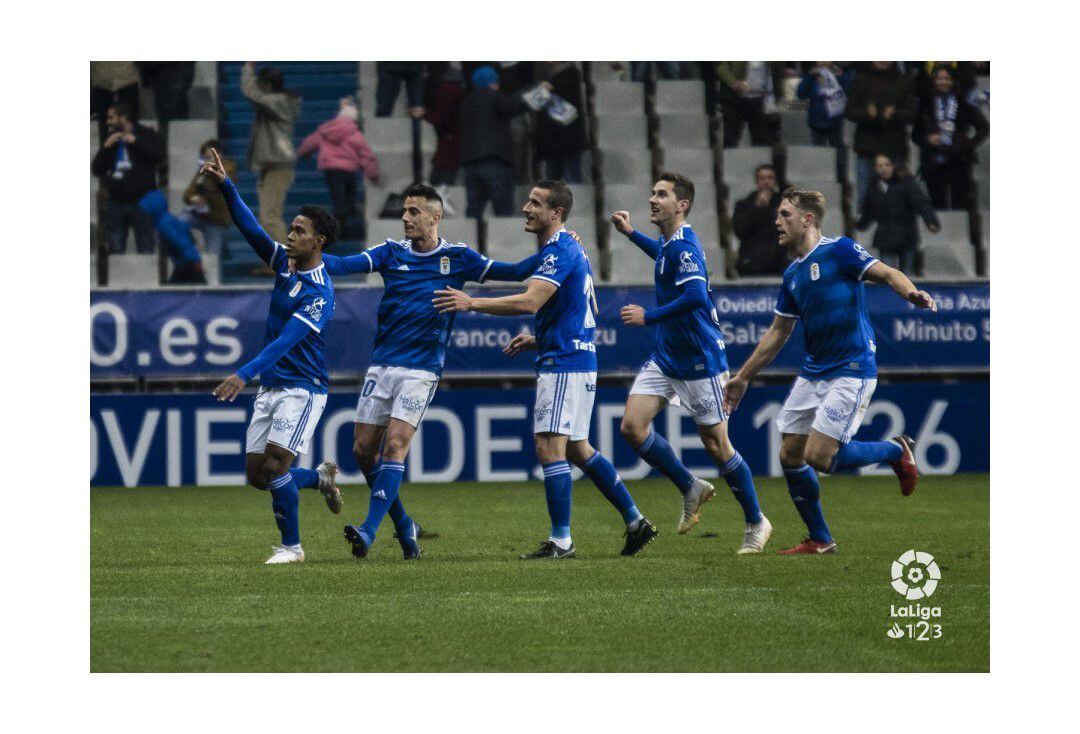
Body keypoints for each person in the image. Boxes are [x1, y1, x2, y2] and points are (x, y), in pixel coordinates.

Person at [434, 181, 658, 559]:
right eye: (528, 200)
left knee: (549, 445)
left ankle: (562, 541)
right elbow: (545, 289)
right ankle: (635, 521)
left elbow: (530, 301)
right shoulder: (562, 249)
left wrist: (471, 302)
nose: (526, 207)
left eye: (536, 203)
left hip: (565, 363)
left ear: (556, 214)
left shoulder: (560, 251)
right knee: (577, 448)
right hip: (573, 357)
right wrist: (539, 338)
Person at [326, 185, 538, 560]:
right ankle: (405, 526)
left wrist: (558, 249)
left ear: (434, 217)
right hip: (382, 364)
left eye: (413, 211)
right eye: (404, 211)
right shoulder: (391, 253)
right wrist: (304, 256)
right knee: (362, 452)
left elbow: (516, 271)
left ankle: (369, 531)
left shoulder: (458, 258)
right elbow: (343, 266)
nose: (405, 218)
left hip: (421, 368)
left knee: (395, 446)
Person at [722, 189, 936, 555]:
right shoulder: (792, 274)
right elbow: (778, 331)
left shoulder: (839, 250)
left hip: (852, 367)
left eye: (785, 214)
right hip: (814, 371)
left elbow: (886, 272)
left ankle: (894, 451)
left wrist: (911, 292)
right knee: (790, 454)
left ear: (807, 219)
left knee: (819, 457)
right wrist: (743, 376)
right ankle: (820, 538)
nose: (777, 221)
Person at [608, 172, 771, 554]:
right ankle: (690, 487)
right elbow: (664, 259)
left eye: (661, 195)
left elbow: (697, 296)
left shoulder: (684, 246)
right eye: (652, 192)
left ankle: (756, 521)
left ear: (681, 205)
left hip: (700, 359)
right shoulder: (669, 243)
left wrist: (649, 316)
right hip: (668, 356)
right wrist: (632, 234)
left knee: (718, 446)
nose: (652, 199)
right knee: (633, 427)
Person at [200, 148, 343, 565]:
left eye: (298, 231)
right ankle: (317, 479)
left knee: (277, 465)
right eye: (291, 229)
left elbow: (287, 340)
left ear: (318, 241)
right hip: (272, 386)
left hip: (302, 389)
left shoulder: (321, 293)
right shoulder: (284, 263)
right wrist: (227, 186)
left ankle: (292, 548)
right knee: (257, 476)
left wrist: (242, 374)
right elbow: (250, 229)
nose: (290, 235)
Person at [297, 99, 380, 242]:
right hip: (348, 170)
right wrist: (373, 174)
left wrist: (302, 153)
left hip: (331, 170)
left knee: (337, 198)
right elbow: (367, 155)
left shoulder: (325, 130)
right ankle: (346, 219)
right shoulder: (355, 134)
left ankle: (340, 221)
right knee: (350, 194)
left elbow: (309, 143)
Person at [912, 65, 990, 211]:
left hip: (959, 161)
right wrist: (928, 139)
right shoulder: (925, 104)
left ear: (953, 81)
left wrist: (967, 144)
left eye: (947, 78)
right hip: (933, 161)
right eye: (940, 78)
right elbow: (915, 135)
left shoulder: (964, 102)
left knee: (960, 204)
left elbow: (984, 128)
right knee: (937, 205)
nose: (944, 82)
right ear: (934, 80)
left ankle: (960, 234)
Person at [845, 61, 918, 213]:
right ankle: (863, 234)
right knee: (865, 198)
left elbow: (913, 114)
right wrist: (866, 114)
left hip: (895, 149)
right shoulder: (861, 79)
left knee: (898, 199)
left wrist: (895, 114)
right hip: (867, 147)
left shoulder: (904, 80)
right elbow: (849, 111)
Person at [91, 103, 164, 254]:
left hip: (143, 202)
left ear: (123, 118)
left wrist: (135, 141)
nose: (108, 121)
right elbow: (97, 170)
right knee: (115, 251)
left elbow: (159, 157)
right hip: (116, 202)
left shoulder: (147, 134)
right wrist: (106, 147)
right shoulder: (110, 139)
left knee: (146, 250)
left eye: (111, 117)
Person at [241, 61, 300, 244]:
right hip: (272, 165)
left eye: (260, 83)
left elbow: (251, 93)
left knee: (270, 218)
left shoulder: (279, 101)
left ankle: (286, 263)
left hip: (279, 166)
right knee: (266, 218)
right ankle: (275, 262)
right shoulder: (279, 101)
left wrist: (248, 67)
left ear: (267, 85)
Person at [458, 65, 529, 217]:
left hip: (470, 162)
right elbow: (513, 108)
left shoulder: (466, 102)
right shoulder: (494, 96)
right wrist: (536, 96)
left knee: (473, 211)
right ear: (492, 82)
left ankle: (471, 240)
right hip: (495, 160)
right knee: (503, 210)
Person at [856, 154, 941, 272]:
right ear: (875, 168)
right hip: (885, 237)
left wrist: (931, 220)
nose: (884, 169)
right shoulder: (874, 187)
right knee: (888, 276)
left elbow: (921, 203)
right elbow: (869, 211)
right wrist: (860, 225)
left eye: (887, 165)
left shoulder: (908, 183)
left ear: (894, 166)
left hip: (907, 237)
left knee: (907, 277)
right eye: (880, 166)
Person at [796, 62, 854, 183]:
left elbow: (849, 89)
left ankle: (842, 185)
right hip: (816, 121)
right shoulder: (812, 74)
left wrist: (841, 75)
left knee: (839, 157)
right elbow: (800, 93)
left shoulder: (840, 72)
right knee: (819, 155)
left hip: (835, 121)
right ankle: (819, 184)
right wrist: (809, 77)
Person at [180, 140, 238, 257]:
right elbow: (187, 194)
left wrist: (205, 193)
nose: (207, 160)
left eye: (209, 157)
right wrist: (194, 199)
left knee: (212, 258)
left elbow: (219, 190)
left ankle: (224, 247)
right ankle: (189, 250)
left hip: (217, 219)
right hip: (200, 214)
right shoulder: (202, 171)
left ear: (219, 156)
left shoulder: (228, 169)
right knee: (179, 222)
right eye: (204, 157)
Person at [732, 164, 791, 276]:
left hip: (778, 261)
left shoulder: (785, 204)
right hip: (752, 261)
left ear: (775, 181)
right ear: (757, 181)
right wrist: (757, 207)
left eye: (770, 178)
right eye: (762, 178)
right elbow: (740, 231)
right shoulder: (744, 204)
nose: (766, 181)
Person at [534, 62, 587, 183]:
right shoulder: (550, 76)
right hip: (552, 142)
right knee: (552, 184)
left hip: (568, 140)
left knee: (572, 178)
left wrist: (547, 87)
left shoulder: (570, 75)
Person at [714, 61, 784, 149]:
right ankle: (731, 161)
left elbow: (777, 73)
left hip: (761, 98)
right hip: (733, 97)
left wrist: (777, 96)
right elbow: (718, 64)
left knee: (763, 141)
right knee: (730, 140)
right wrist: (732, 82)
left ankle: (762, 161)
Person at [423, 64, 465, 186]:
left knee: (440, 182)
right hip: (453, 144)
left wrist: (425, 114)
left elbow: (441, 118)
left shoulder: (446, 92)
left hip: (449, 145)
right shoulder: (460, 91)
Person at [91, 62, 140, 145]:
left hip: (105, 75)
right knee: (128, 118)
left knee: (106, 120)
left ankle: (106, 151)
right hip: (125, 74)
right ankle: (130, 151)